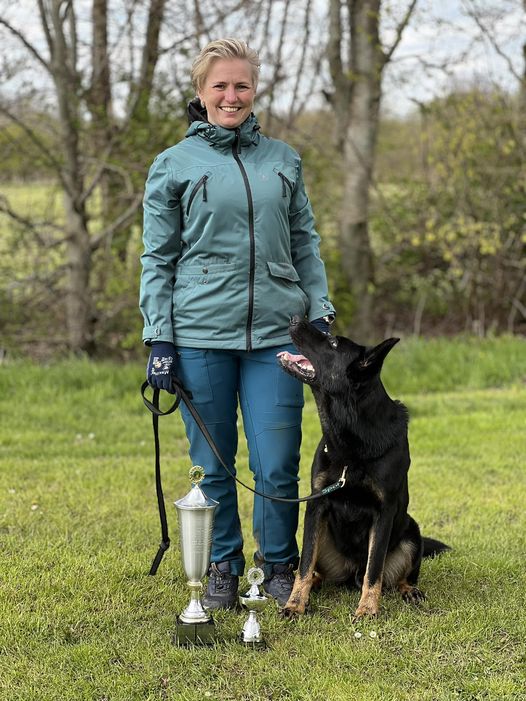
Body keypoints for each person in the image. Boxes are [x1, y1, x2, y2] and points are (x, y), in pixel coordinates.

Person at [140, 38, 335, 609]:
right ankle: (221, 565)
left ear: (255, 90)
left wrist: (319, 312)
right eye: (220, 86)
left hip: (279, 335)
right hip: (199, 336)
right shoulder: (173, 165)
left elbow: (305, 242)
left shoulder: (284, 159)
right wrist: (159, 336)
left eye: (241, 85)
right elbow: (157, 257)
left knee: (277, 463)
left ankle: (277, 565)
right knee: (213, 464)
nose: (232, 95)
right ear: (200, 94)